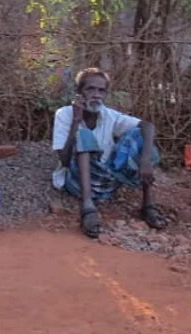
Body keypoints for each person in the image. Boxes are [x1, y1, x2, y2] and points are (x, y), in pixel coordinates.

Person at [51, 68, 164, 239]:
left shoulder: (109, 115)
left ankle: (148, 205)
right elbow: (65, 161)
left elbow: (148, 126)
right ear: (79, 92)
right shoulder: (64, 114)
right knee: (84, 135)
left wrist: (145, 160)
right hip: (77, 183)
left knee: (141, 136)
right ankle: (87, 208)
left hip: (106, 183)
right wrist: (76, 121)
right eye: (90, 89)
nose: (96, 95)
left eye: (101, 90)